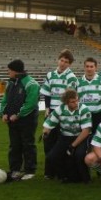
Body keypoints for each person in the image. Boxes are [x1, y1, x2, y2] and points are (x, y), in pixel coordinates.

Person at [0, 59, 40, 181]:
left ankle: (30, 170)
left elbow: (31, 104)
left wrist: (18, 115)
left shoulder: (32, 84)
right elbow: (5, 100)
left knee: (28, 144)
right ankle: (15, 170)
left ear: (15, 71)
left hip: (27, 120)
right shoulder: (10, 83)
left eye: (9, 70)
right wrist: (3, 114)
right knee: (14, 145)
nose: (8, 73)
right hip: (12, 120)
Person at [41, 49, 78, 179]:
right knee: (48, 142)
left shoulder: (71, 78)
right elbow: (47, 93)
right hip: (51, 113)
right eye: (61, 60)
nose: (63, 63)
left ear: (69, 64)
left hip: (63, 114)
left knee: (60, 143)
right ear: (58, 60)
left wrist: (61, 112)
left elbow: (69, 98)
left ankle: (60, 171)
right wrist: (47, 109)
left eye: (66, 62)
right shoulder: (50, 75)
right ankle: (49, 172)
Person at [42, 89, 91, 183]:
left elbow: (86, 131)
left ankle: (85, 178)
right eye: (73, 102)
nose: (76, 103)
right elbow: (48, 124)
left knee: (79, 154)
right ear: (66, 102)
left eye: (77, 100)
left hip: (80, 137)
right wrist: (45, 132)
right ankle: (63, 176)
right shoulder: (60, 109)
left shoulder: (84, 109)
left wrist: (72, 146)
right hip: (65, 137)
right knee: (51, 157)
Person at [77, 57, 101, 134]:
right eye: (87, 66)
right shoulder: (78, 82)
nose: (89, 69)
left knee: (97, 137)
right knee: (83, 137)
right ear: (84, 67)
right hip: (83, 115)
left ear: (96, 67)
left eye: (91, 66)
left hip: (98, 115)